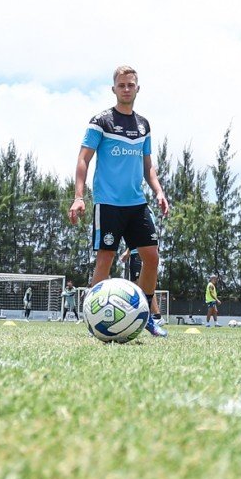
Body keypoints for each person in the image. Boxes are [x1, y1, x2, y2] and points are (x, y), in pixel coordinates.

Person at [67, 66, 171, 338]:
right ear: (114, 89)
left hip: (136, 204)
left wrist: (158, 191)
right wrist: (79, 197)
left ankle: (146, 315)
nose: (126, 89)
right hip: (108, 204)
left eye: (131, 85)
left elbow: (148, 165)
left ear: (138, 88)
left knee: (152, 257)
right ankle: (93, 321)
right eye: (122, 85)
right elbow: (83, 159)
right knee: (105, 260)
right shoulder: (100, 122)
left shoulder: (143, 125)